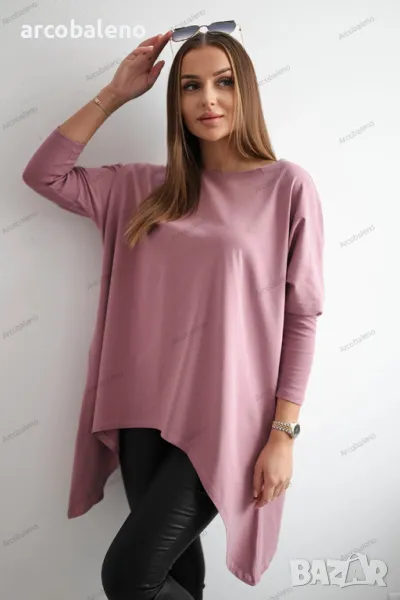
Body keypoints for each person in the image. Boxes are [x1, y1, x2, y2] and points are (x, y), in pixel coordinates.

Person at [22, 26, 324, 599]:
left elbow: (302, 316)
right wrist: (114, 94)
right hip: (140, 409)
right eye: (190, 86)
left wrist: (283, 435)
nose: (208, 99)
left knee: (127, 577)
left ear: (246, 89)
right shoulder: (140, 187)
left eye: (224, 82)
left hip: (229, 417)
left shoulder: (287, 186)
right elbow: (44, 175)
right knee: (174, 577)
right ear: (175, 100)